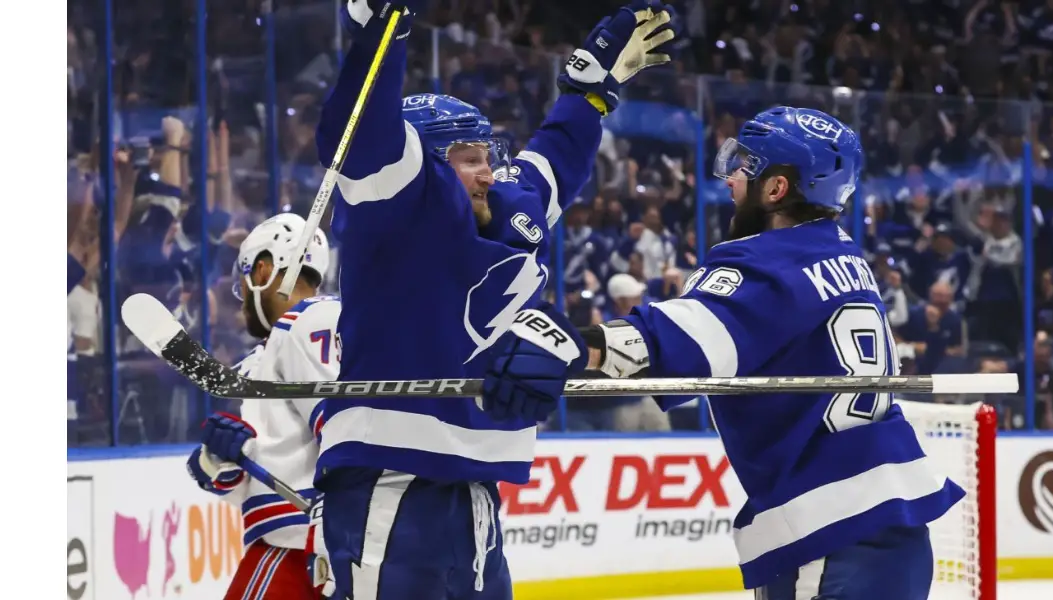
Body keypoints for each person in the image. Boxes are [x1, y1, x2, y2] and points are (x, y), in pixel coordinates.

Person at [482, 107, 965, 599]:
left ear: (776, 189)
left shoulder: (767, 261)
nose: (732, 176)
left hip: (830, 532)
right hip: (889, 527)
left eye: (745, 166)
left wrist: (575, 343)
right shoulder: (839, 252)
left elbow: (676, 339)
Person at [312, 1, 677, 598]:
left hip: (476, 493)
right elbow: (360, 136)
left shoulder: (511, 207)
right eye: (468, 160)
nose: (487, 173)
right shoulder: (398, 204)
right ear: (425, 162)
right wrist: (382, 35)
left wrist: (587, 95)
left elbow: (554, 161)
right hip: (388, 479)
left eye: (488, 158)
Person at [184, 213, 339, 600]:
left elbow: (343, 428)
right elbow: (254, 474)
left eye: (243, 283)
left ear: (264, 269)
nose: (242, 304)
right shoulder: (265, 357)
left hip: (302, 548)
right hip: (313, 540)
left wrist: (342, 519)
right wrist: (219, 459)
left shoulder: (309, 322)